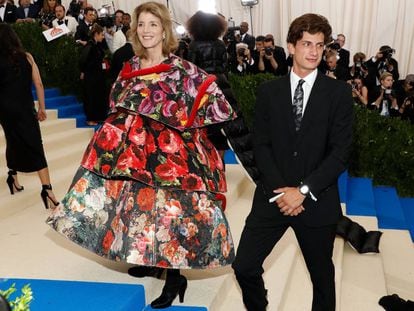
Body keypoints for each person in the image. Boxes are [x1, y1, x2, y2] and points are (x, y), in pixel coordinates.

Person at [46, 2, 236, 309]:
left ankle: (175, 277)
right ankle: (149, 257)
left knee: (170, 211)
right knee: (138, 207)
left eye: (153, 24)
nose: (147, 30)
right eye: (142, 25)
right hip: (135, 154)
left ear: (164, 30)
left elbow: (213, 99)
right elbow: (117, 103)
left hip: (170, 156)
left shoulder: (180, 69)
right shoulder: (130, 66)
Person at [232, 13, 353, 311]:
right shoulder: (268, 92)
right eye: (306, 44)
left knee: (322, 281)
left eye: (320, 45)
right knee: (244, 266)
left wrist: (302, 191)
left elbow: (341, 152)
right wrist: (282, 190)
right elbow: (261, 145)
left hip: (317, 199)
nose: (314, 52)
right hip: (273, 197)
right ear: (291, 46)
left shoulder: (337, 93)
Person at [0, 23, 59, 209]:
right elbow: (39, 84)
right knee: (35, 146)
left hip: (4, 110)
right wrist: (42, 108)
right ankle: (47, 190)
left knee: (12, 140)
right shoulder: (27, 57)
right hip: (25, 108)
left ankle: (12, 177)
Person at [79, 23, 108, 126]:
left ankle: (98, 117)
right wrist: (83, 71)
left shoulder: (96, 45)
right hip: (91, 76)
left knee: (97, 96)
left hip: (97, 76)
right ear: (96, 34)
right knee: (90, 97)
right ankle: (90, 118)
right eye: (101, 35)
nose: (103, 37)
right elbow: (83, 60)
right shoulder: (90, 45)